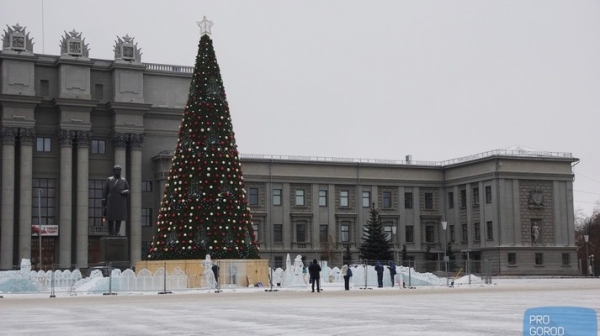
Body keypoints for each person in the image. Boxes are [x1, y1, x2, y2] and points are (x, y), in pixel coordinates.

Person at [102, 165, 130, 236]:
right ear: (114, 171)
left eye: (120, 170)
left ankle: (117, 231)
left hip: (120, 201)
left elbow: (128, 189)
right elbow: (105, 190)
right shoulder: (109, 179)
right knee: (110, 217)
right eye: (117, 170)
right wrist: (104, 200)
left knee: (118, 217)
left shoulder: (123, 180)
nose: (119, 172)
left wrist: (125, 192)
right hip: (111, 201)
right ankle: (110, 232)